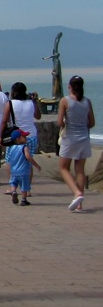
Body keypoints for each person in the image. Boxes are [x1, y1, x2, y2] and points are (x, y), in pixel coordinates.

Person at [57, 75, 95, 212]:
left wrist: (66, 124)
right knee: (80, 170)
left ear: (70, 87)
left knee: (63, 167)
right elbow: (92, 123)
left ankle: (76, 193)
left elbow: (60, 122)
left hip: (70, 138)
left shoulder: (65, 101)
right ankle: (79, 204)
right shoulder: (87, 101)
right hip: (83, 138)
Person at [0, 82, 41, 196]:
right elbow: (38, 116)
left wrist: (1, 136)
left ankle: (12, 187)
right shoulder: (31, 103)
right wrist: (34, 101)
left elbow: (4, 121)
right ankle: (26, 190)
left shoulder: (10, 103)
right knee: (28, 161)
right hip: (31, 135)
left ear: (13, 92)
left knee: (10, 161)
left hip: (15, 136)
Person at [4, 129, 40, 206]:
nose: (26, 138)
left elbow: (9, 160)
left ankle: (13, 192)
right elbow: (28, 157)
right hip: (23, 171)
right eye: (24, 136)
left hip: (14, 171)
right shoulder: (24, 148)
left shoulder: (11, 148)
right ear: (18, 139)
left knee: (13, 183)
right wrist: (36, 165)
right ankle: (24, 200)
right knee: (24, 185)